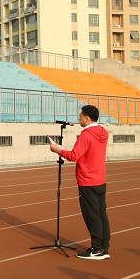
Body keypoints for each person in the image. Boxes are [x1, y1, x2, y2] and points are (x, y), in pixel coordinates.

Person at [49, 105, 111, 260]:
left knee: (92, 215)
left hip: (88, 180)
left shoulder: (86, 135)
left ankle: (96, 248)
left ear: (87, 118)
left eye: (81, 116)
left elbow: (74, 156)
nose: (79, 118)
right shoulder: (102, 132)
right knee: (101, 214)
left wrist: (57, 150)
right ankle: (104, 246)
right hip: (100, 179)